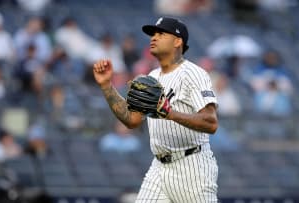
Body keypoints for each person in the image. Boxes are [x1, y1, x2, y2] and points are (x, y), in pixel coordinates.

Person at [93, 17, 219, 202]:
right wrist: (106, 86)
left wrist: (170, 113)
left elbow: (211, 123)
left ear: (178, 41)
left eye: (161, 33)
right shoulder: (151, 77)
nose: (153, 37)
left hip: (192, 166)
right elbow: (132, 120)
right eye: (153, 34)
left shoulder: (193, 74)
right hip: (159, 168)